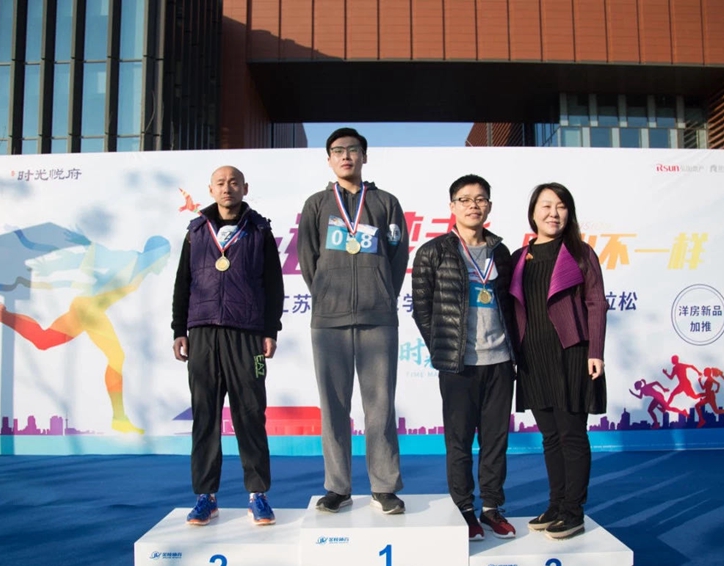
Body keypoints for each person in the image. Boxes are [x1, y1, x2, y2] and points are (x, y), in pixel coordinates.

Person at [297, 128, 409, 515]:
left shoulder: (385, 202)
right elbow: (308, 259)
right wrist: (326, 293)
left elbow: (397, 257)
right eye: (338, 150)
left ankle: (384, 486)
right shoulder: (316, 204)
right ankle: (337, 487)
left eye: (353, 150)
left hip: (378, 317)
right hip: (329, 320)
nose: (346, 156)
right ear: (329, 159)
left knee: (380, 406)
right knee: (333, 406)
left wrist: (381, 293)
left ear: (364, 156)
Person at [171, 166, 285, 526]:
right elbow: (183, 283)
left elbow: (273, 284)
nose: (227, 188)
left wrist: (271, 330)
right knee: (205, 415)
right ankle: (205, 496)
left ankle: (258, 494)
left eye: (234, 182)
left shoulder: (260, 230)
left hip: (247, 333)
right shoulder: (195, 231)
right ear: (211, 189)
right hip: (203, 332)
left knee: (250, 414)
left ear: (244, 188)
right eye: (220, 183)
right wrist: (179, 329)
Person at [411, 174, 517, 541]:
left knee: (495, 441)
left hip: (500, 361)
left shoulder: (501, 252)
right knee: (458, 442)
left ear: (489, 205)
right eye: (465, 199)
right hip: (459, 365)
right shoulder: (433, 252)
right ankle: (464, 510)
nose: (474, 205)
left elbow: (510, 304)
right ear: (452, 206)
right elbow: (422, 309)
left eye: (480, 199)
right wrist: (444, 348)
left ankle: (492, 508)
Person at [0, 231, 170, 435]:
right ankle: (119, 419)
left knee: (44, 340)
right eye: (165, 256)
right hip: (90, 310)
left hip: (85, 307)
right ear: (157, 254)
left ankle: (1, 314)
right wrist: (72, 256)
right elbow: (103, 255)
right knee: (117, 357)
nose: (166, 262)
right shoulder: (137, 261)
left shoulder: (140, 267)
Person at [510, 182, 607, 540]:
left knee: (572, 435)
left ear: (569, 213)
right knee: (550, 437)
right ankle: (556, 505)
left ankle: (573, 511)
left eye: (561, 206)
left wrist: (595, 351)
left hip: (571, 354)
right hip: (532, 358)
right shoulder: (519, 257)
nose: (554, 213)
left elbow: (596, 302)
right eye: (546, 206)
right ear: (533, 212)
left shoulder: (580, 253)